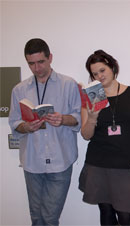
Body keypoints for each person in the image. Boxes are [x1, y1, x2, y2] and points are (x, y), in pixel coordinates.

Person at [8, 38, 81, 226]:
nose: (36, 68)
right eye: (31, 64)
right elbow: (14, 122)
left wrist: (63, 119)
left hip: (61, 160)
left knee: (49, 217)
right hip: (32, 161)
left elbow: (78, 119)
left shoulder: (69, 84)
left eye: (41, 62)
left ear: (50, 58)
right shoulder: (19, 90)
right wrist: (26, 127)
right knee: (36, 217)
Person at [79, 50, 130, 226]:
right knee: (106, 212)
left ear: (112, 67)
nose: (99, 76)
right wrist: (92, 118)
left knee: (127, 216)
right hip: (99, 163)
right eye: (95, 74)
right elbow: (86, 135)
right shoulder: (90, 99)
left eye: (102, 70)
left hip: (129, 163)